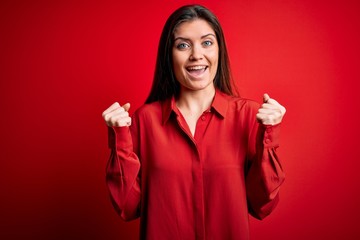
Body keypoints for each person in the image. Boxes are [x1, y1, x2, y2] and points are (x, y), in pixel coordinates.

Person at [102, 4, 286, 240]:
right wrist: (119, 138)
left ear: (219, 49)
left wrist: (269, 135)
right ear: (169, 55)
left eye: (207, 42)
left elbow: (262, 205)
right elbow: (128, 207)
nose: (196, 55)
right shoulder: (143, 120)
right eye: (183, 45)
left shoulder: (249, 116)